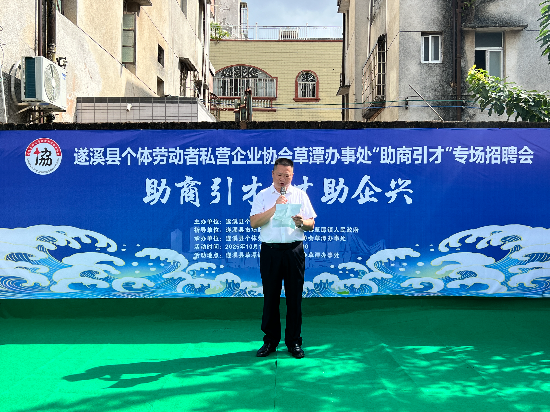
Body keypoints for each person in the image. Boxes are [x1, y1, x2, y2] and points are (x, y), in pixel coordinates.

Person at [250, 157, 316, 359]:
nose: (282, 179)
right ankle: (270, 341)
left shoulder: (300, 195)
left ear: (292, 176)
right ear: (272, 174)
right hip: (270, 252)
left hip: (293, 251)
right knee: (271, 297)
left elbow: (311, 224)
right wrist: (275, 208)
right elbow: (254, 222)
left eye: (287, 176)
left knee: (294, 297)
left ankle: (294, 342)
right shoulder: (263, 195)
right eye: (279, 175)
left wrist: (301, 222)